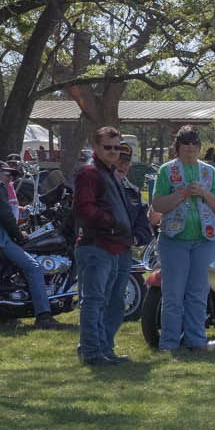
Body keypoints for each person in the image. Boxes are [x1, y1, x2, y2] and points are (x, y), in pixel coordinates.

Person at [148, 125, 215, 355]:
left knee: (198, 292)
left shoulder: (208, 172)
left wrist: (204, 193)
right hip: (174, 240)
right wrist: (182, 193)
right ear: (178, 147)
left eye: (194, 144)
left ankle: (196, 340)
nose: (190, 148)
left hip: (206, 240)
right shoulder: (167, 170)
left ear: (200, 147)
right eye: (186, 144)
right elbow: (157, 205)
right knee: (173, 293)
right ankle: (169, 343)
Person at [0, 157, 68, 330]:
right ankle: (44, 316)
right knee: (34, 267)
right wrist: (18, 235)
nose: (10, 179)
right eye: (8, 173)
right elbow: (5, 215)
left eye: (13, 176)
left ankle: (8, 312)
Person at [74, 125, 136, 365]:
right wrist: (110, 222)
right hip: (97, 245)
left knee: (110, 302)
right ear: (96, 147)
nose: (113, 152)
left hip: (115, 245)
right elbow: (83, 208)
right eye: (107, 147)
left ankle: (104, 348)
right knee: (94, 301)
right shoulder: (89, 173)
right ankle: (92, 351)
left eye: (116, 147)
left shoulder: (109, 173)